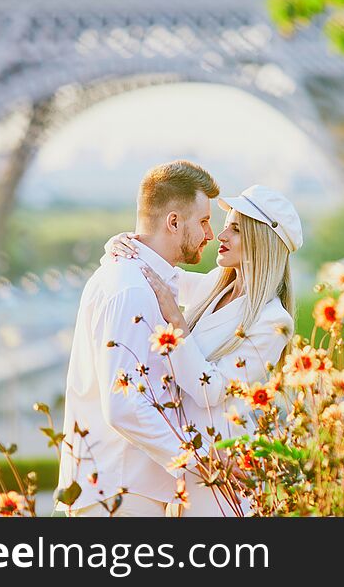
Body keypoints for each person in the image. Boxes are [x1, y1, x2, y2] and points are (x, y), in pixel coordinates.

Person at [105, 184, 301, 516]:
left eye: (236, 229)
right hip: (187, 462)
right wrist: (118, 246)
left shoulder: (273, 321)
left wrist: (175, 318)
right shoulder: (213, 284)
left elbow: (212, 389)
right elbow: (154, 271)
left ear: (262, 240)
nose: (220, 234)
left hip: (223, 464)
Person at [55, 160, 219, 517]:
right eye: (204, 221)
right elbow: (124, 405)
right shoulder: (130, 288)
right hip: (119, 493)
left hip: (124, 489)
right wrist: (200, 462)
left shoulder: (138, 279)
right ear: (173, 222)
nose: (210, 234)